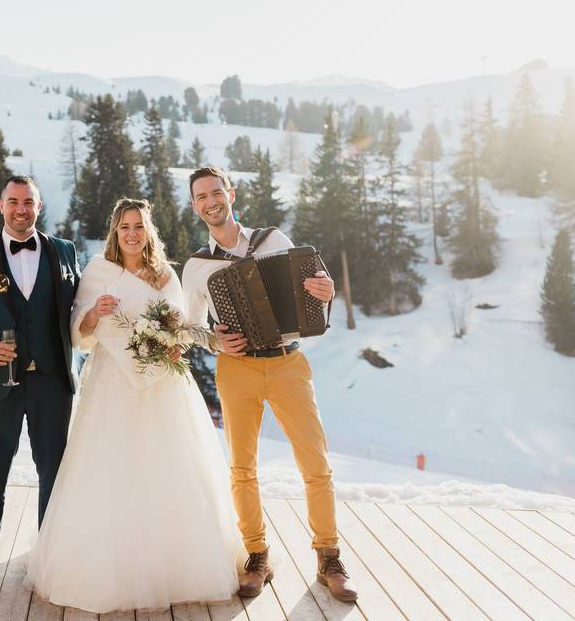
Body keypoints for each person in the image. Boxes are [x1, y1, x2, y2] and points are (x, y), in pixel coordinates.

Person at [24, 198, 242, 614]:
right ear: (114, 231)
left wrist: (190, 343)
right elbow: (78, 334)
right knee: (113, 471)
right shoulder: (98, 270)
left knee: (169, 469)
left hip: (163, 385)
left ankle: (178, 563)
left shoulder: (165, 274)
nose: (131, 233)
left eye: (138, 226)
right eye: (124, 226)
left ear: (148, 230)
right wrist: (91, 314)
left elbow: (181, 324)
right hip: (112, 385)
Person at [181, 166, 357, 603]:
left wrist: (326, 290)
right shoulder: (197, 266)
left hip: (287, 364)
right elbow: (189, 327)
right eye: (201, 196)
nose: (210, 201)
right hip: (236, 369)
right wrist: (214, 340)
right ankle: (257, 555)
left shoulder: (274, 242)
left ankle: (328, 556)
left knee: (315, 465)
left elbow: (313, 293)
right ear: (194, 205)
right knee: (242, 469)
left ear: (231, 194)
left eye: (216, 192)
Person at [0, 175, 80, 596]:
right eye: (14, 202)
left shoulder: (64, 251)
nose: (21, 209)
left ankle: (52, 554)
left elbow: (78, 308)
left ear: (38, 206)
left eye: (29, 202)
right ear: (0, 205)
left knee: (53, 471)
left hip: (52, 382)